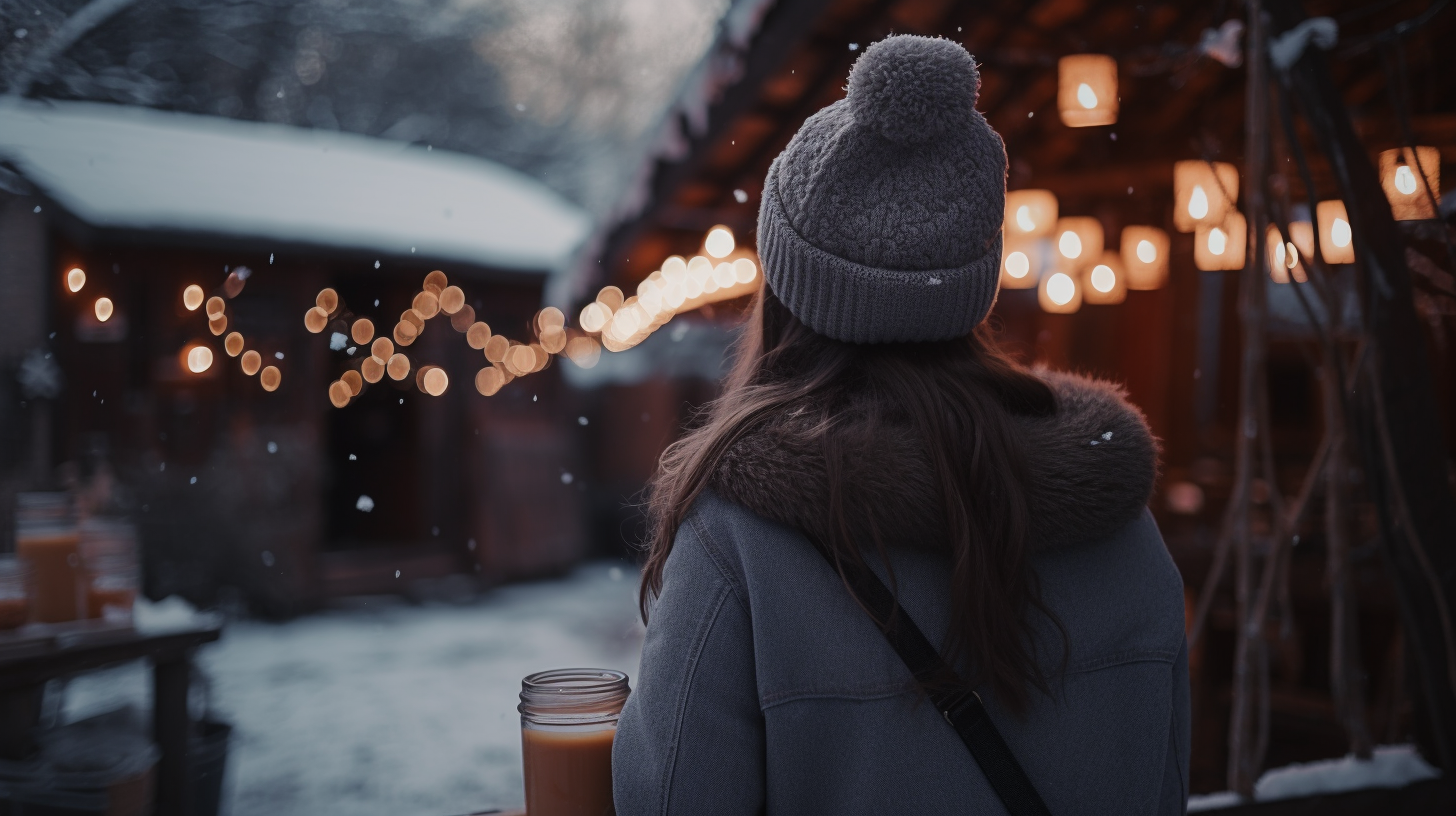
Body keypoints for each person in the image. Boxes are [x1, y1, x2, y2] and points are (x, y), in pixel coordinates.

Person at [613, 34, 1188, 815]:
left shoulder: (737, 541)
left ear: (783, 292)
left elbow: (676, 800)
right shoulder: (1123, 528)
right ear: (975, 288)